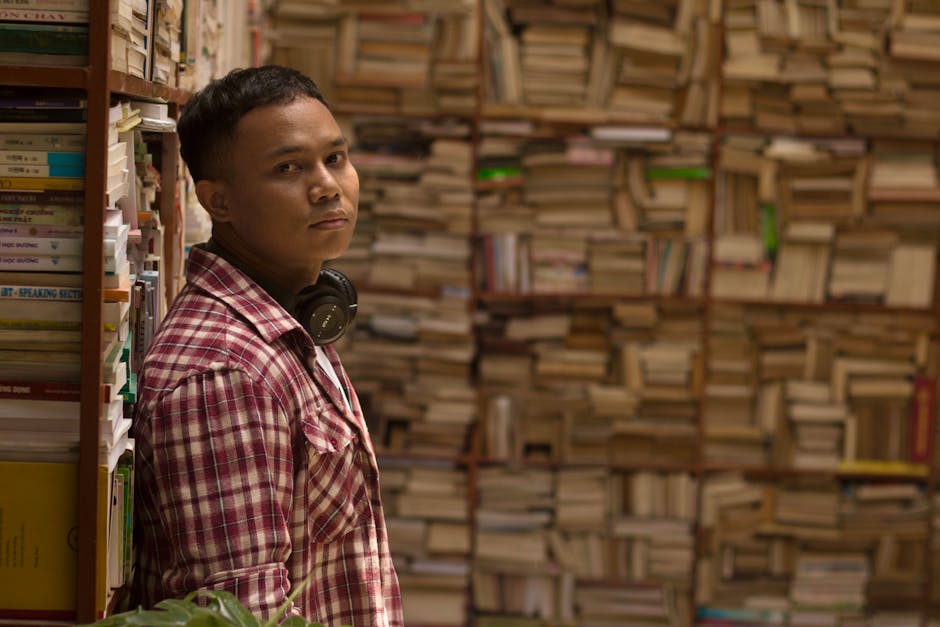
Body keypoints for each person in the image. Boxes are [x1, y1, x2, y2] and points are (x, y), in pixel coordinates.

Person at [131, 65, 403, 626]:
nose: (328, 184)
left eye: (335, 158)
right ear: (219, 202)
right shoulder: (225, 375)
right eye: (288, 167)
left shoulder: (288, 314)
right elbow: (243, 616)